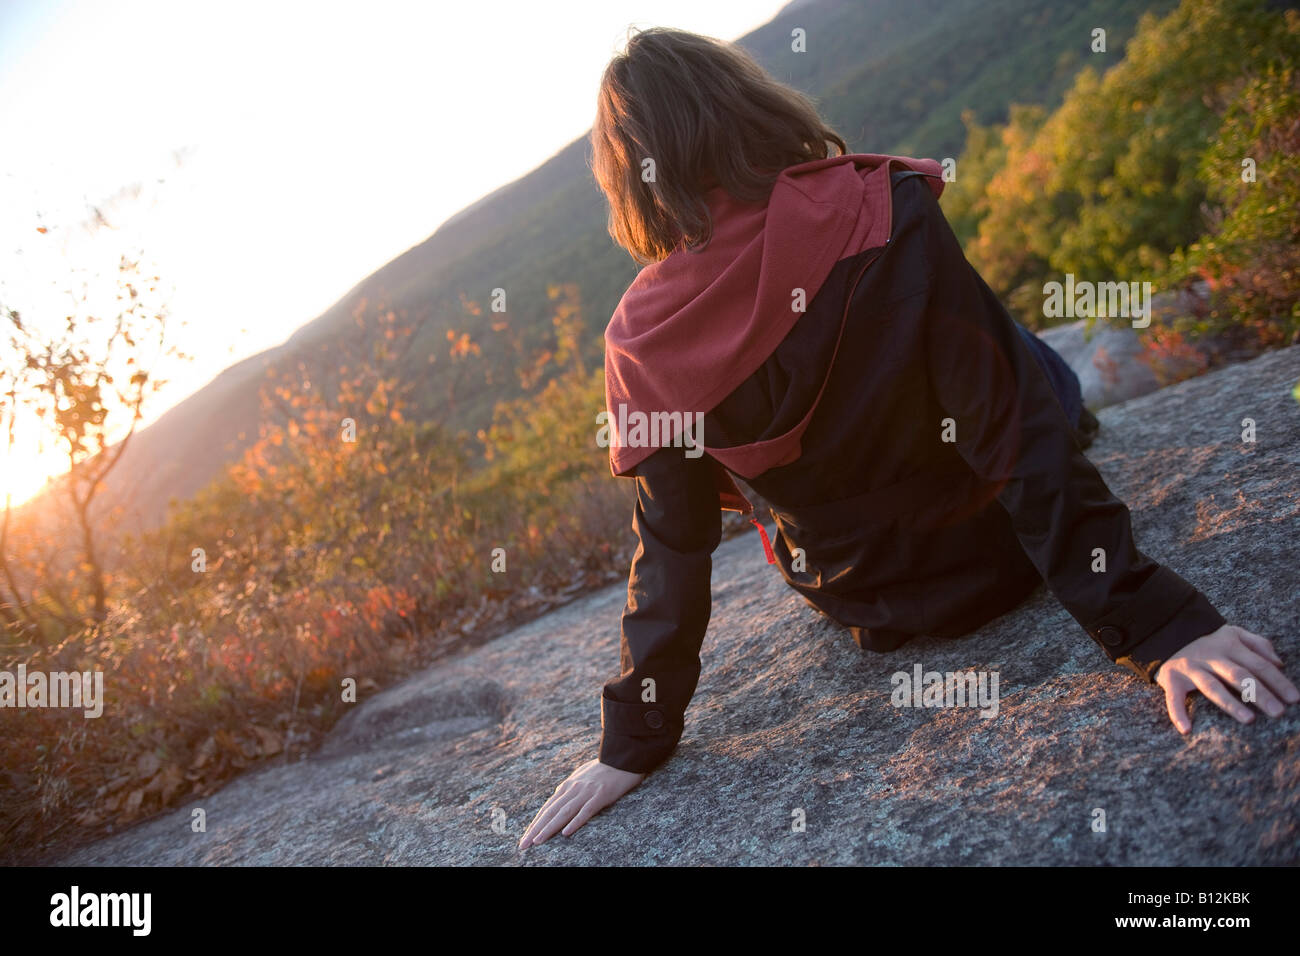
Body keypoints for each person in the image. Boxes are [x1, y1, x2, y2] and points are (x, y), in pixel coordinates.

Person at [519, 27, 1296, 849]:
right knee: (1024, 362)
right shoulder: (879, 205)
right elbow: (1014, 427)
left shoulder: (643, 340)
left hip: (863, 595)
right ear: (745, 108)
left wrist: (632, 743)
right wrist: (1157, 625)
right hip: (1001, 553)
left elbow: (671, 546)